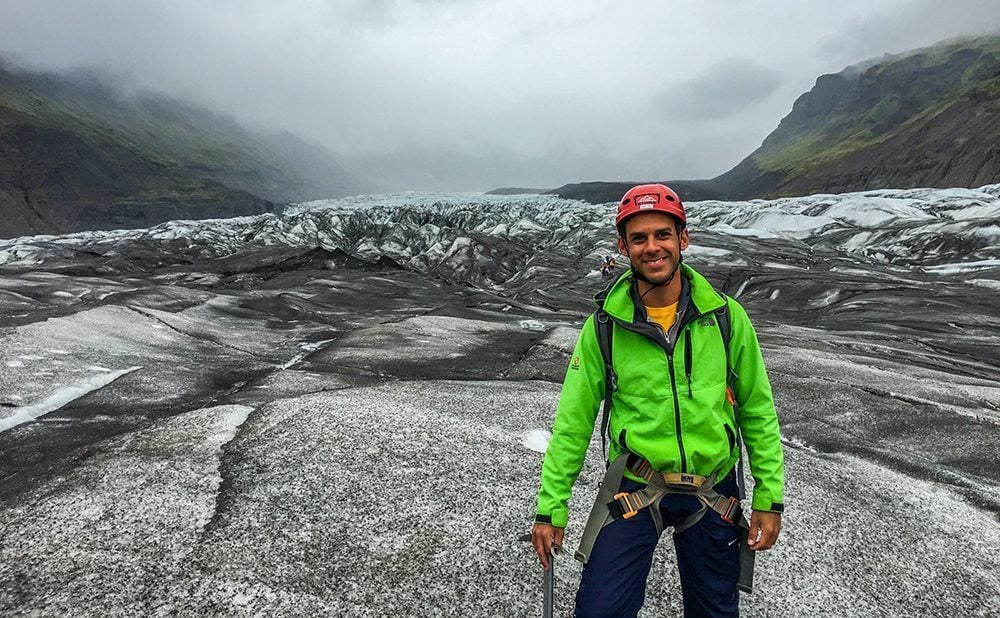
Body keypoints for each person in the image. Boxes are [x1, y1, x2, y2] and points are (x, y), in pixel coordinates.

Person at [531, 183, 785, 617]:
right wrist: (551, 508)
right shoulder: (605, 327)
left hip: (712, 489)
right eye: (639, 238)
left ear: (682, 239)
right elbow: (573, 423)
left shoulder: (725, 318)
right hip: (635, 485)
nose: (653, 247)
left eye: (662, 235)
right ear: (623, 246)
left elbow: (756, 409)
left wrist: (769, 497)